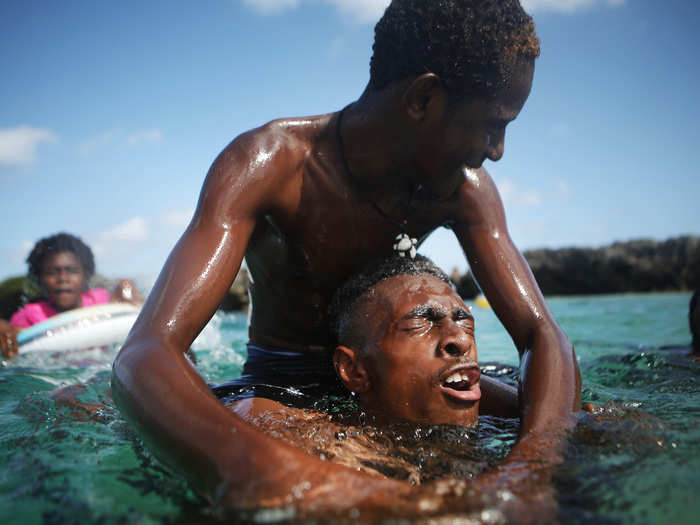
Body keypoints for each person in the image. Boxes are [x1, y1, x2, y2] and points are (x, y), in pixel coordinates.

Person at [112, 0, 580, 515]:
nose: (497, 151)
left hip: (395, 373)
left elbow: (542, 335)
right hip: (282, 382)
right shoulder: (272, 164)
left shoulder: (465, 190)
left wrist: (531, 471)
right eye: (492, 124)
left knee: (587, 425)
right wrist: (257, 469)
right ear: (423, 97)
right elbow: (146, 352)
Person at [0, 232, 142, 357]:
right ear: (40, 279)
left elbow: (125, 291)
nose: (63, 278)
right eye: (52, 272)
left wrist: (127, 289)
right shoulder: (30, 316)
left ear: (86, 276)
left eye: (72, 271)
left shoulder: (99, 300)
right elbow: (11, 335)